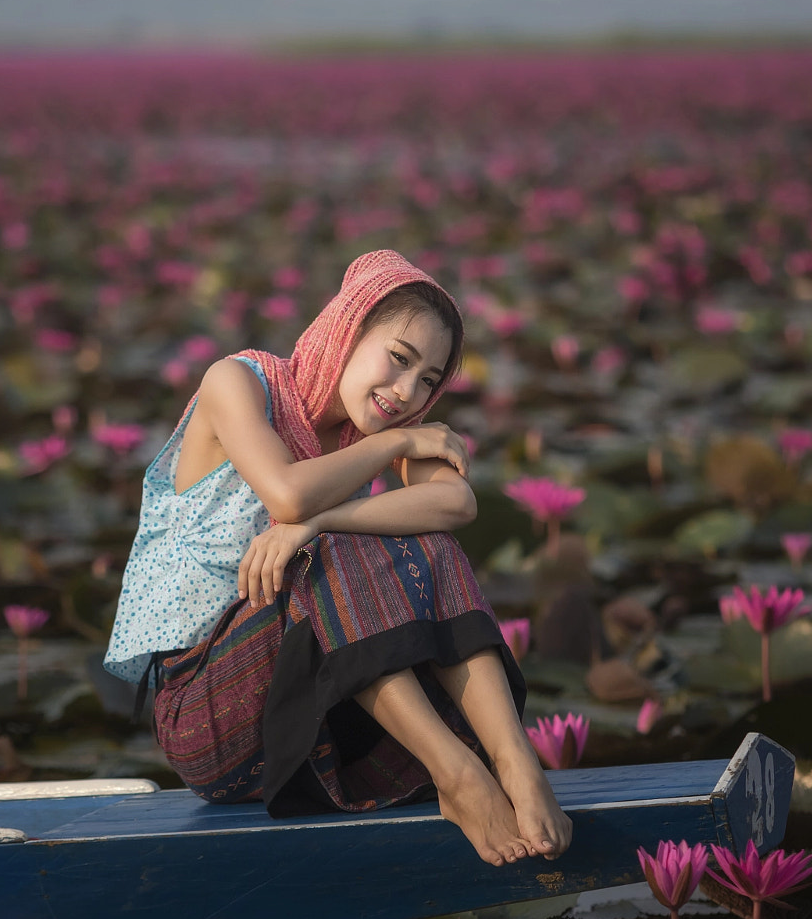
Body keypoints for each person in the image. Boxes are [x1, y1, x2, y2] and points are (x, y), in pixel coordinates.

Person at [105, 249, 572, 865]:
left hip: (317, 724)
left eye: (429, 380)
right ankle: (457, 775)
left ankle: (517, 764)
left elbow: (455, 503)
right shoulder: (237, 382)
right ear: (348, 330)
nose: (406, 393)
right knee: (326, 553)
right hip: (208, 722)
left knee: (421, 544)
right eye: (398, 360)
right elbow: (289, 493)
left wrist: (323, 519)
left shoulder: (372, 429)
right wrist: (400, 444)